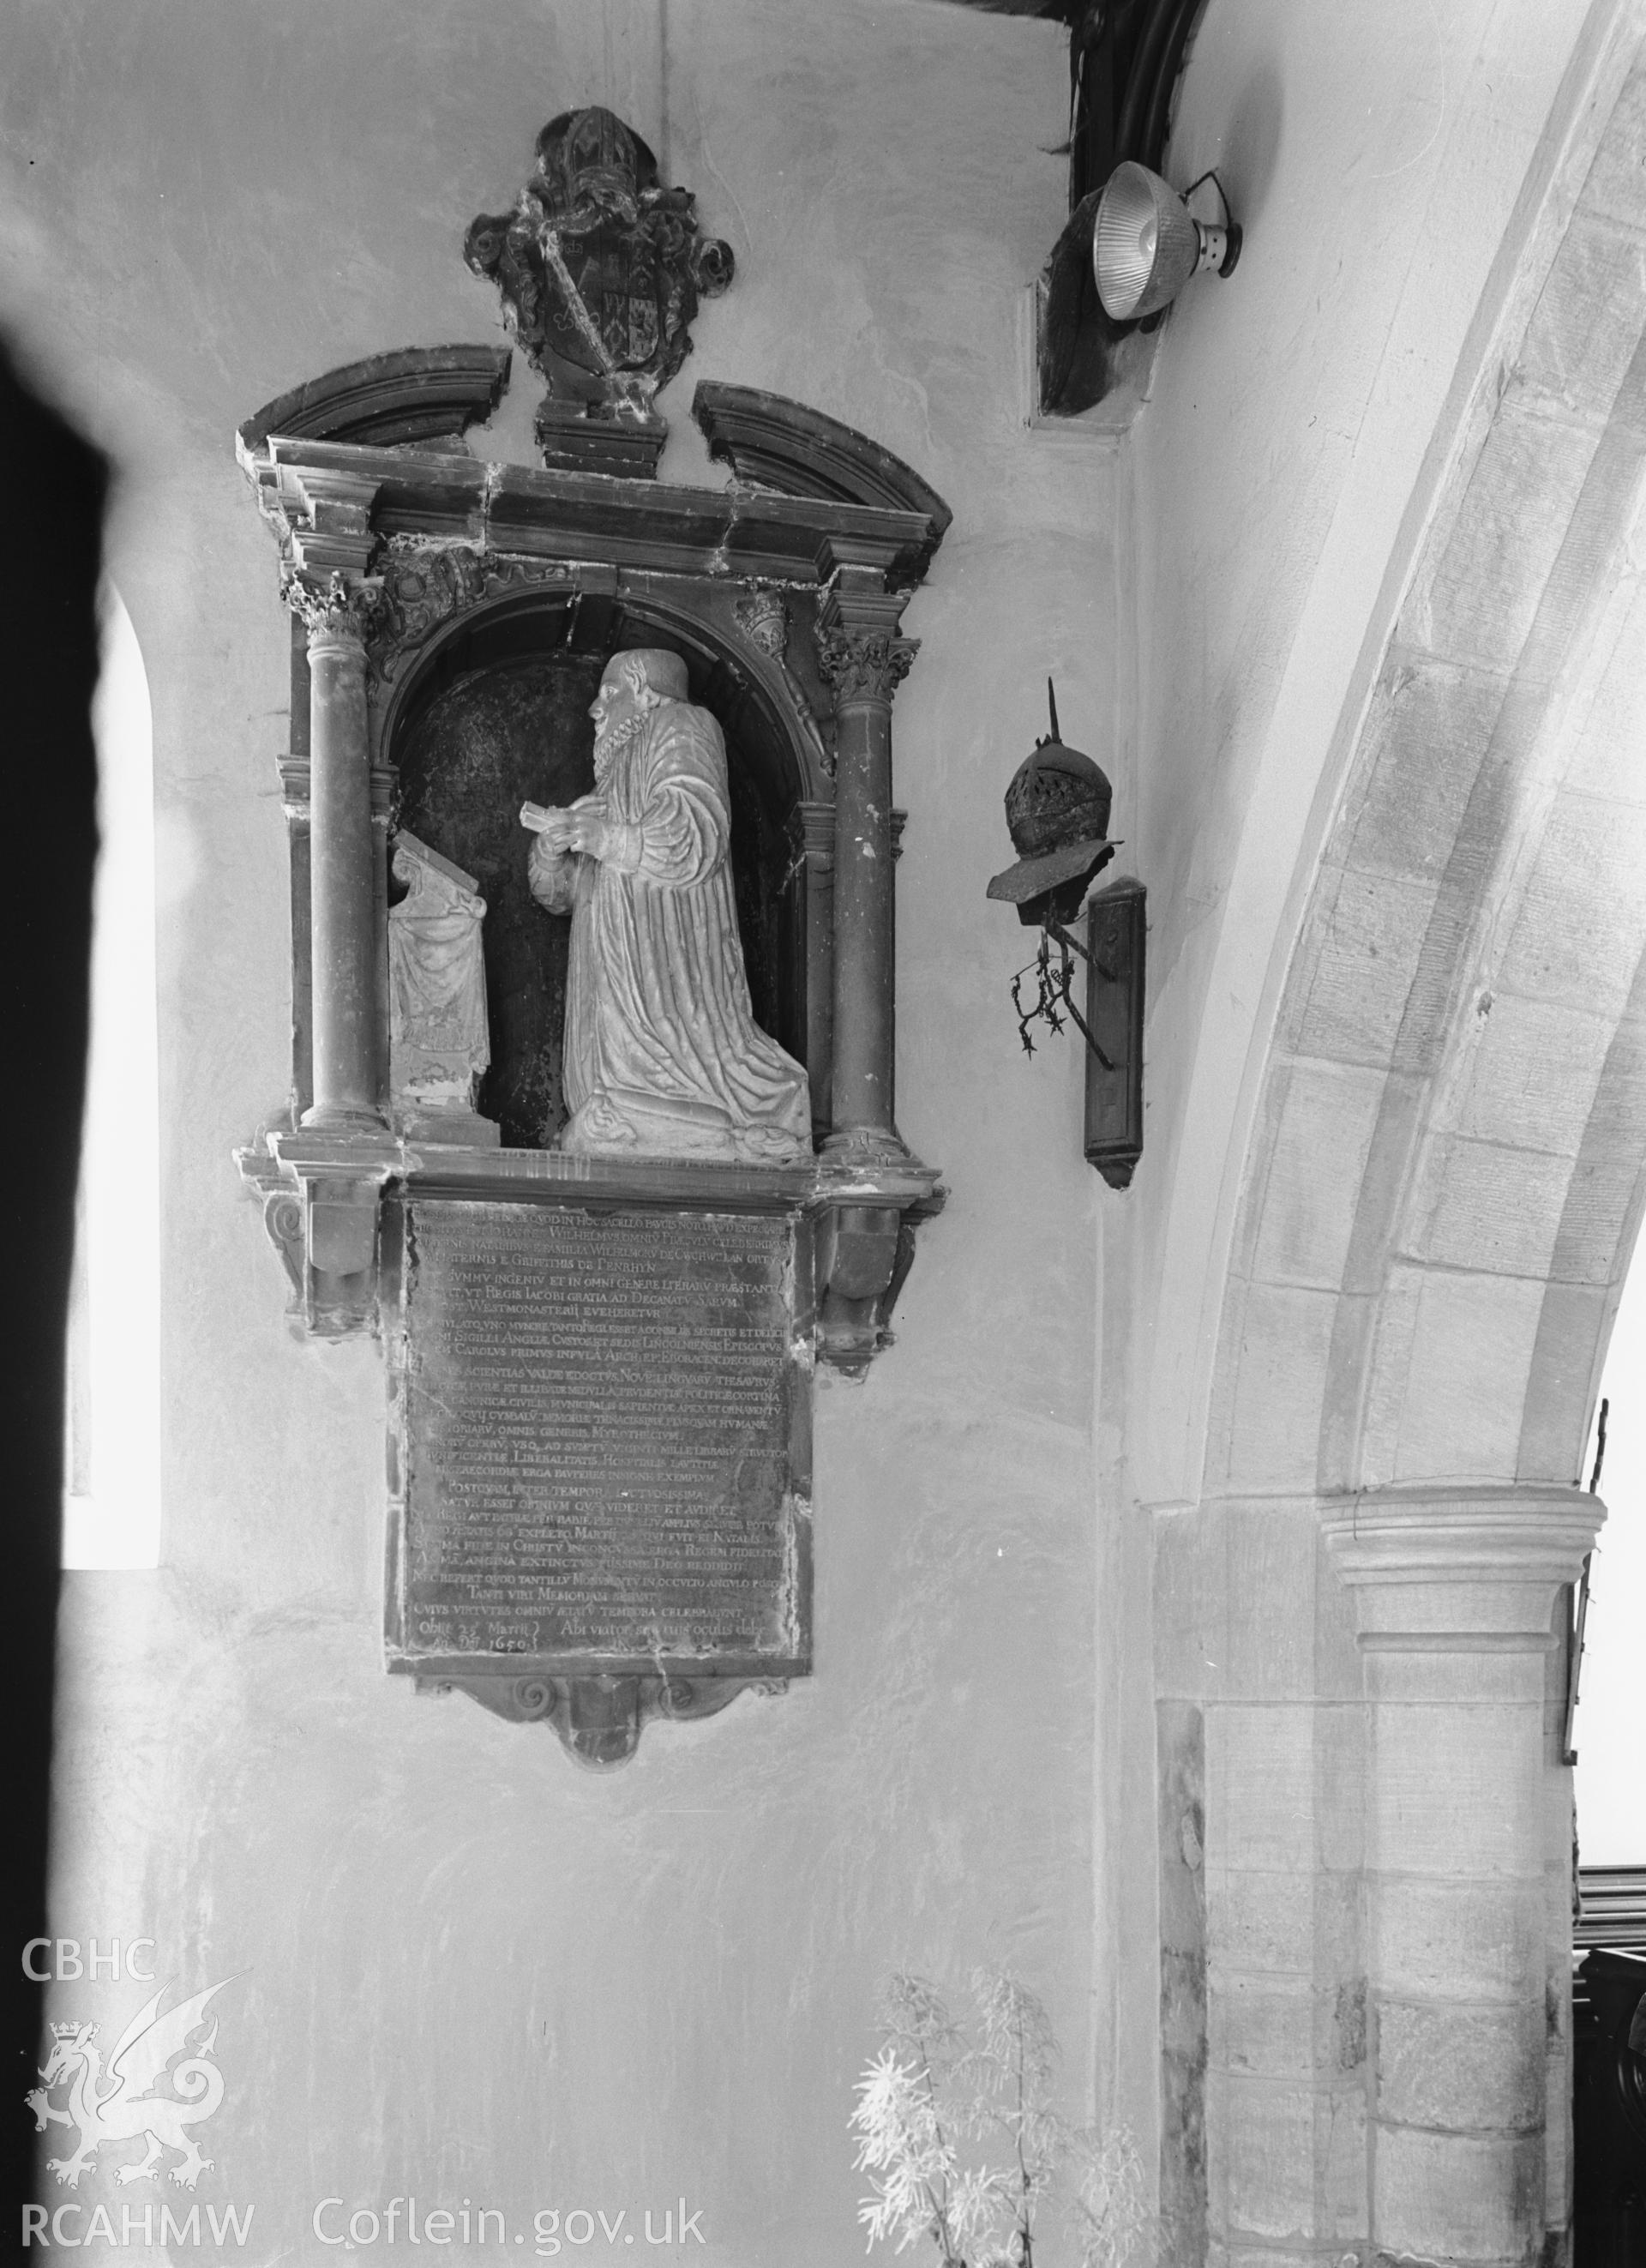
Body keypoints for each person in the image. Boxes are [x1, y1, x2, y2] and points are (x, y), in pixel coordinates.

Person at [525, 647, 812, 1163]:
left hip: (664, 955)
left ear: (646, 693)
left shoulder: (683, 724)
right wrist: (551, 850)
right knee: (608, 1087)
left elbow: (694, 829)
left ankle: (684, 1107)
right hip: (611, 966)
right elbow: (568, 894)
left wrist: (608, 837)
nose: (594, 709)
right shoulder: (609, 779)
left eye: (610, 694)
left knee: (662, 1067)